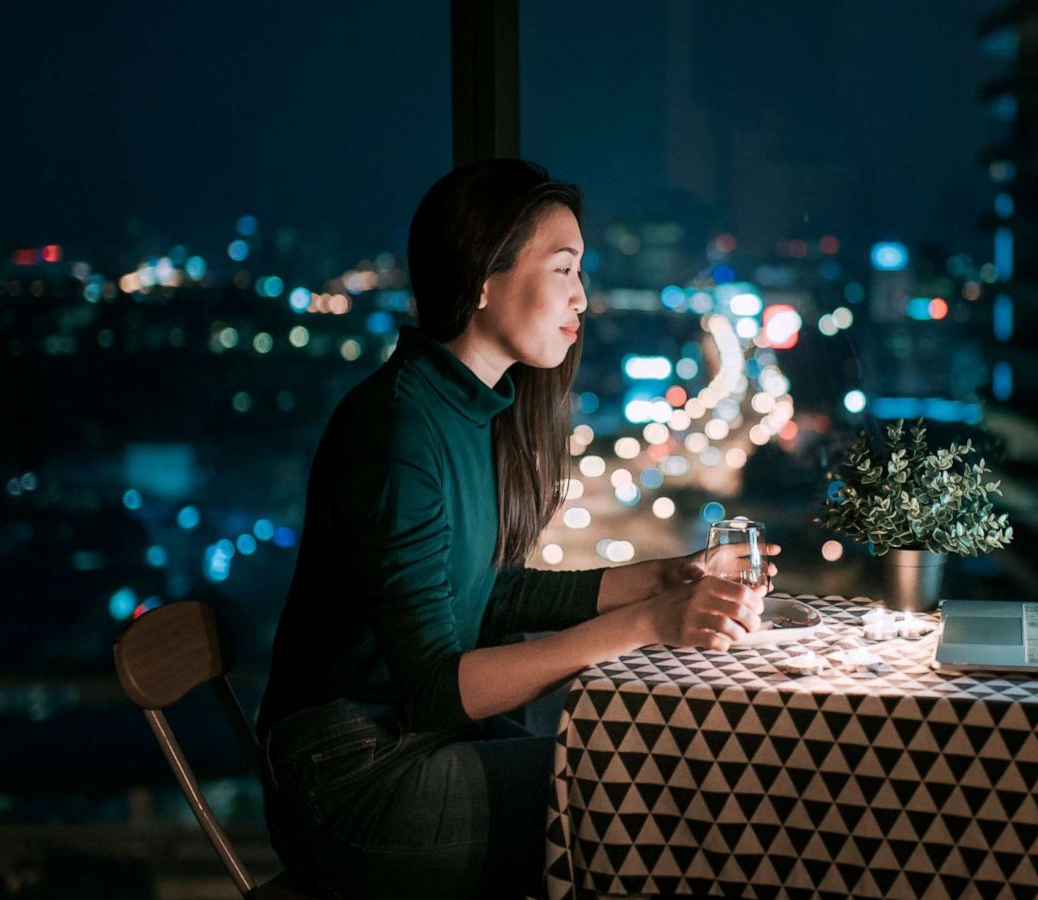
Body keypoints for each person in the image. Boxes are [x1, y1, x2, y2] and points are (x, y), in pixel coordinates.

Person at [256, 158, 779, 900]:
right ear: (483, 277)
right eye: (564, 269)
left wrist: (670, 577)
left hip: (409, 743)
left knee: (644, 759)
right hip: (350, 778)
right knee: (668, 782)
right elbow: (438, 686)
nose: (583, 299)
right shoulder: (398, 429)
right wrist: (650, 622)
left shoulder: (470, 407)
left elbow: (490, 597)